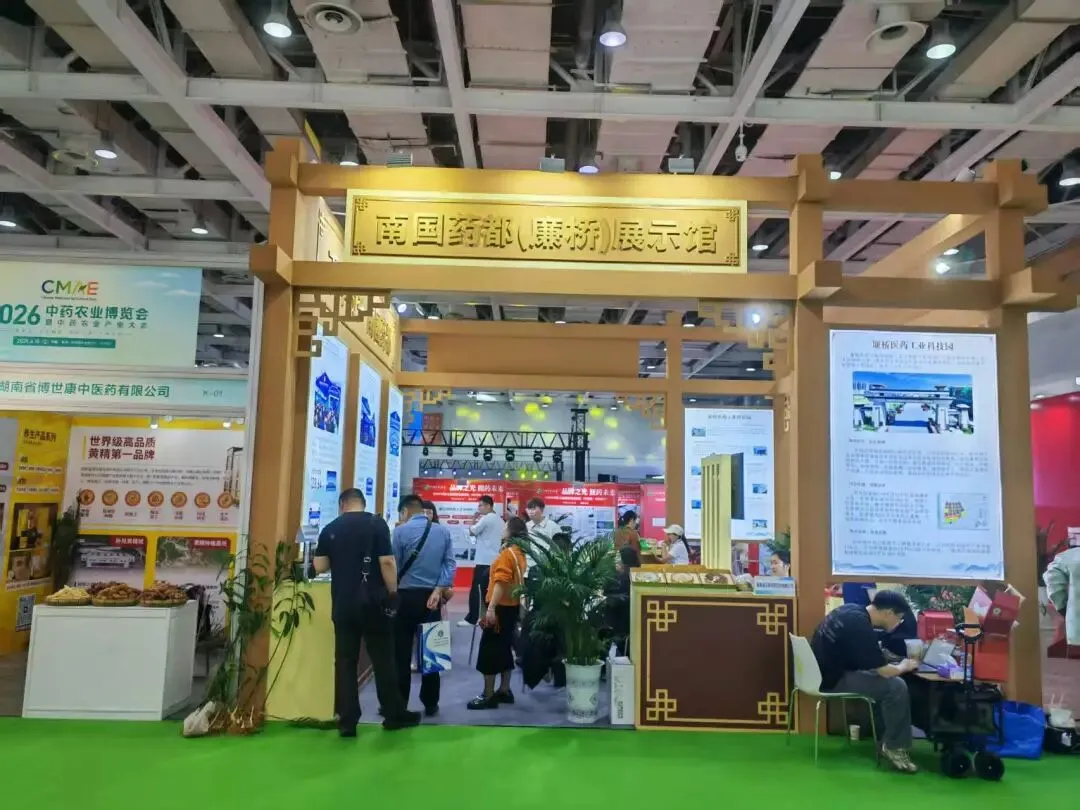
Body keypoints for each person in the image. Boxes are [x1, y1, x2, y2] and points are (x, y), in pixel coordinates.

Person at [311, 488, 421, 736]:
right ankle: (393, 714)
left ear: (342, 505)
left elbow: (320, 565)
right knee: (383, 659)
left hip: (343, 604)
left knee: (345, 661)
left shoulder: (331, 528)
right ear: (363, 503)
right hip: (374, 603)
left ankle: (347, 720)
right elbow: (387, 562)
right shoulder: (376, 524)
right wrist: (393, 592)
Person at [809, 590, 921, 773]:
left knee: (881, 681)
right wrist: (904, 666)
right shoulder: (860, 627)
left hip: (821, 672)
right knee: (896, 686)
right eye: (899, 618)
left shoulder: (849, 610)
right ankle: (895, 747)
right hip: (832, 680)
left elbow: (862, 654)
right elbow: (885, 672)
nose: (899, 623)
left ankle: (885, 739)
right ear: (888, 613)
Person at [391, 494, 456, 716]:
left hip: (404, 597)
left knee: (401, 653)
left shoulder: (399, 532)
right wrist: (439, 589)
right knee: (433, 652)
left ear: (404, 511)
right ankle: (431, 702)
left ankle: (399, 703)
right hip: (432, 599)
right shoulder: (442, 531)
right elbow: (450, 564)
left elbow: (394, 565)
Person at [468, 516, 528, 710]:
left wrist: (491, 608)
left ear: (511, 531)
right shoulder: (519, 552)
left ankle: (488, 695)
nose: (502, 530)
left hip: (500, 608)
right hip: (511, 608)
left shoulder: (507, 554)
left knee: (489, 650)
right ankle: (504, 689)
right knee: (504, 648)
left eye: (505, 527)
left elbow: (501, 582)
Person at [460, 495, 504, 628]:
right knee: (488, 591)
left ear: (488, 506)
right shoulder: (500, 520)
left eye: (480, 505)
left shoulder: (487, 518)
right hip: (495, 560)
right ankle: (487, 617)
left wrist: (473, 520)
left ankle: (472, 619)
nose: (478, 508)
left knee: (477, 590)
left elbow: (472, 531)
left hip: (484, 560)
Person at [525, 497, 561, 563]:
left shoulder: (553, 527)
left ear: (542, 509)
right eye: (529, 509)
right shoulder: (526, 526)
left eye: (533, 509)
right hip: (528, 564)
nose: (530, 512)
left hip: (546, 565)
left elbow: (559, 549)